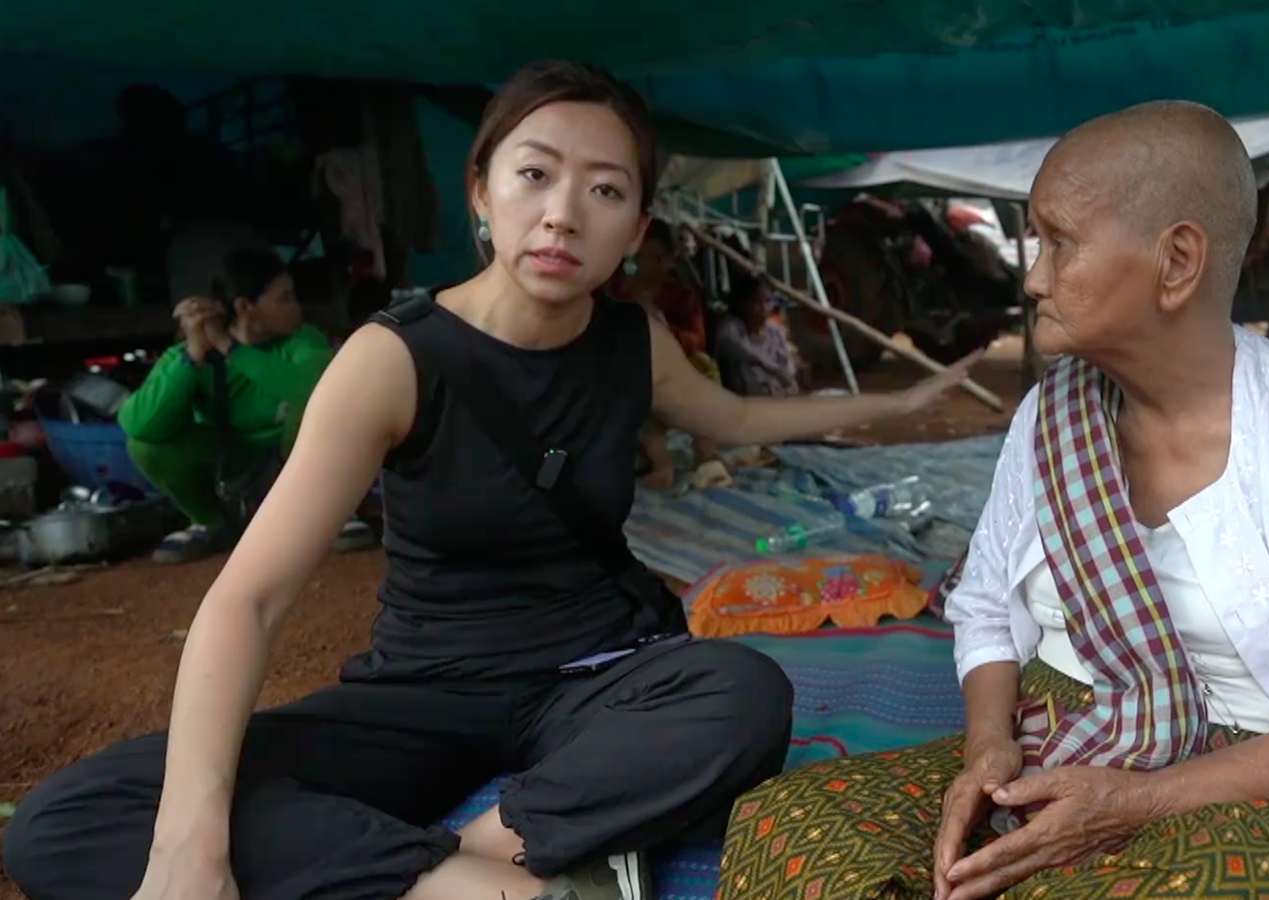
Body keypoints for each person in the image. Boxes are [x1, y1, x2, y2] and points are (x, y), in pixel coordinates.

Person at [3, 60, 980, 900]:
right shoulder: (394, 359)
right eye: (534, 174)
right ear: (481, 192)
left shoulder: (631, 342)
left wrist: (897, 406)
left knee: (742, 694)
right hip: (424, 694)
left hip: (600, 678)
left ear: (637, 223)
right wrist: (188, 845)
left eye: (604, 190)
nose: (562, 213)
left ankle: (469, 861)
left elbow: (736, 420)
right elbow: (249, 600)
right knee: (68, 821)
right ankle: (462, 881)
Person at [717, 101, 1269, 900]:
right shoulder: (1049, 416)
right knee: (786, 827)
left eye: (1059, 240)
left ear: (1176, 262)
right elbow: (986, 606)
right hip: (1059, 731)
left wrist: (1133, 802)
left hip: (1263, 771)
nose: (1031, 275)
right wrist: (989, 747)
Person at [117, 245, 372, 563]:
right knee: (144, 445)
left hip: (293, 466)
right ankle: (209, 523)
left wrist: (231, 348)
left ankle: (332, 514)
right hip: (232, 473)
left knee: (321, 403)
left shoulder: (304, 340)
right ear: (245, 306)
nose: (296, 307)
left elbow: (314, 388)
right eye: (284, 299)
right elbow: (138, 424)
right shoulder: (195, 353)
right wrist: (193, 355)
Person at [612, 219, 729, 489]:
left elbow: (696, 338)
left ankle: (706, 453)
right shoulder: (616, 291)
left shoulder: (680, 295)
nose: (647, 265)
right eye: (641, 257)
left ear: (668, 260)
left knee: (703, 372)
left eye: (656, 258)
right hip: (630, 372)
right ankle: (659, 464)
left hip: (675, 368)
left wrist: (666, 337)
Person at [713, 272, 799, 397]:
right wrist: (775, 370)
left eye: (768, 301)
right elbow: (744, 353)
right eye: (757, 303)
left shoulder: (775, 332)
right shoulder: (731, 329)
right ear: (742, 303)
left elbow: (788, 371)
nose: (764, 309)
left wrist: (788, 379)